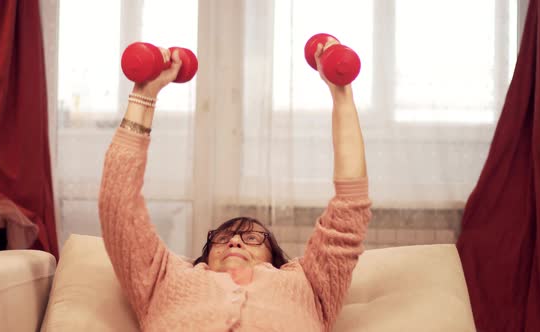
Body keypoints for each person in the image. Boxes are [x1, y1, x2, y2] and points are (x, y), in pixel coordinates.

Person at [99, 43, 371, 332]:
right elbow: (118, 203)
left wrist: (341, 93)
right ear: (204, 254)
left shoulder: (307, 283)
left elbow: (349, 209)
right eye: (224, 236)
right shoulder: (163, 278)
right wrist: (144, 94)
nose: (235, 241)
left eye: (253, 238)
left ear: (276, 258)